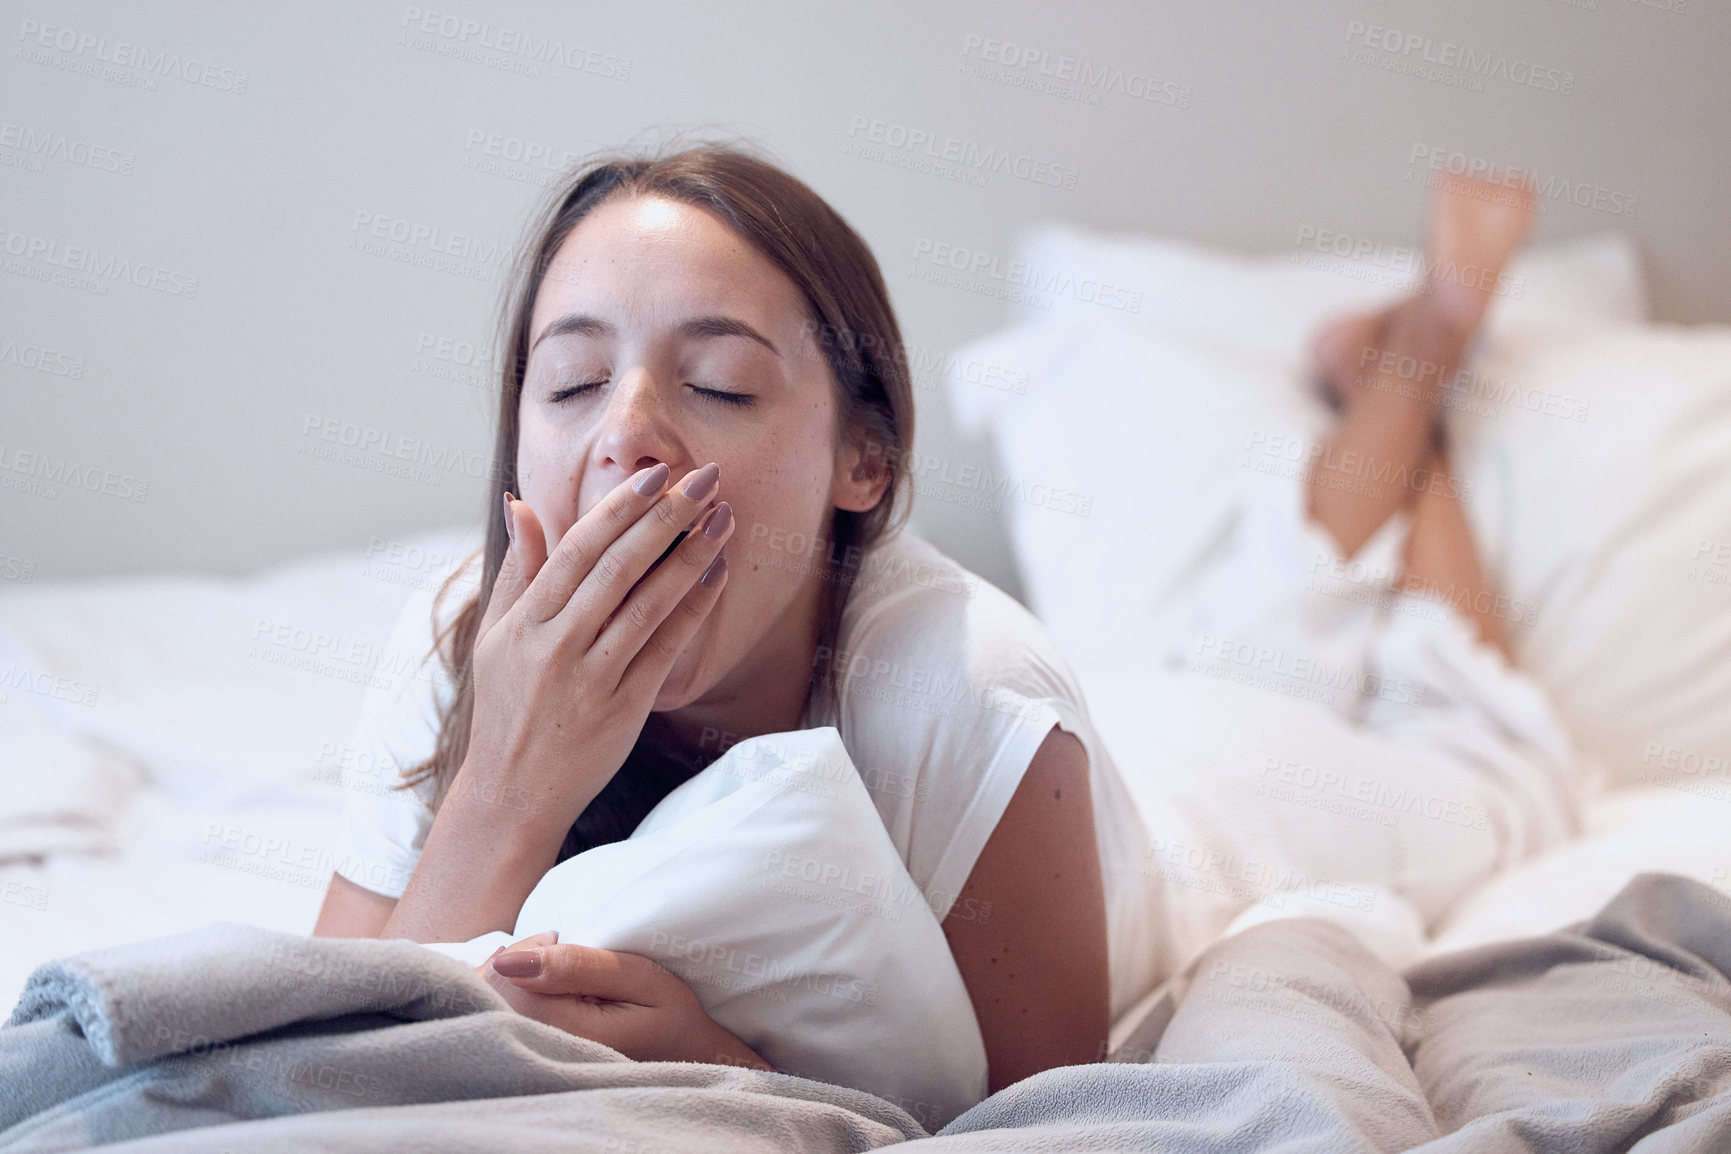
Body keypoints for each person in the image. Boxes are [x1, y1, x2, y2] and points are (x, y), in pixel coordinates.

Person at [313, 143, 1579, 1096]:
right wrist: (507, 781)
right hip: (1138, 729)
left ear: (862, 462)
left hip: (1240, 813)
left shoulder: (972, 692)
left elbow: (1041, 1117)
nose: (625, 436)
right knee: (1285, 626)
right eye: (573, 380)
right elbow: (321, 1053)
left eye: (719, 383)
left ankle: (1424, 362)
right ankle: (1386, 378)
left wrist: (725, 1065)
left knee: (1484, 738)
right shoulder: (453, 641)